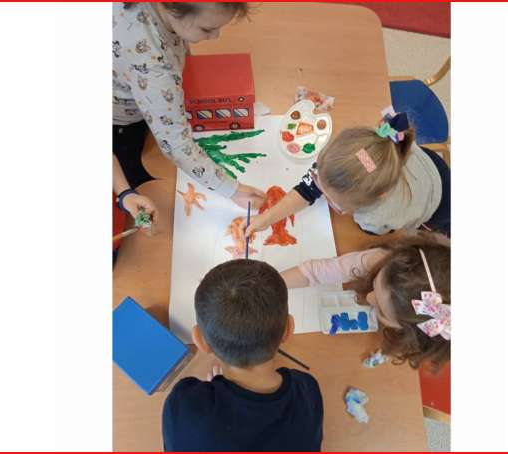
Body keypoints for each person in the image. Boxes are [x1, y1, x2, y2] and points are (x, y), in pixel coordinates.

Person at [113, 2, 265, 225]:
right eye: (207, 29)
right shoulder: (154, 68)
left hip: (141, 94)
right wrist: (233, 190)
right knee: (147, 179)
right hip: (121, 124)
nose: (216, 36)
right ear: (173, 8)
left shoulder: (164, 15)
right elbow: (177, 146)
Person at [162, 259, 323, 451]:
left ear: (200, 341)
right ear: (288, 329)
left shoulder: (185, 407)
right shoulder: (306, 391)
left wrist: (213, 346)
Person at [245, 108, 451, 238]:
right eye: (318, 180)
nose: (319, 192)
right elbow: (307, 190)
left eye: (333, 202)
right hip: (430, 163)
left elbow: (383, 233)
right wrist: (266, 219)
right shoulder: (367, 149)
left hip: (439, 206)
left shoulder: (376, 217)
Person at [282, 234, 450, 369]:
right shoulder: (382, 261)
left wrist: (387, 352)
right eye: (375, 283)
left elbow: (407, 347)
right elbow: (315, 272)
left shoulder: (428, 336)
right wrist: (274, 282)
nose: (368, 298)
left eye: (381, 311)